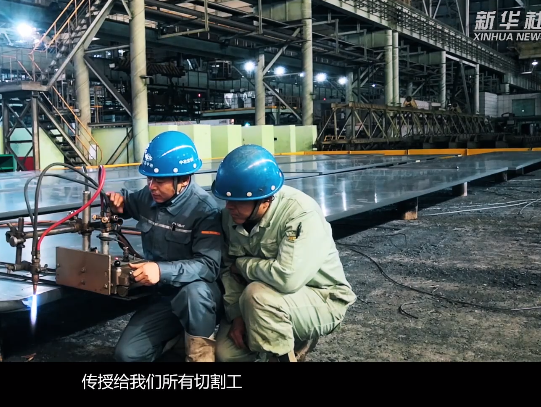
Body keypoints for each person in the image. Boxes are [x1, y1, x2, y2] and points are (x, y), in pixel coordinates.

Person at [210, 144, 356, 362]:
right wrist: (237, 315)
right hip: (262, 302)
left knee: (256, 295)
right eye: (227, 199)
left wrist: (242, 265)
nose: (229, 206)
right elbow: (227, 271)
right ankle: (281, 337)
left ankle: (287, 348)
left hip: (321, 296)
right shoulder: (229, 217)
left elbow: (288, 278)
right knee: (227, 353)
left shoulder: (300, 213)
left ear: (265, 199)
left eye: (238, 201)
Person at [106, 131, 225, 362]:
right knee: (127, 355)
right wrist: (118, 204)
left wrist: (161, 270)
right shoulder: (149, 197)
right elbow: (129, 204)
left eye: (159, 181)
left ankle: (201, 354)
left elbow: (209, 266)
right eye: (149, 179)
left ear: (183, 180)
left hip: (200, 297)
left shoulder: (204, 210)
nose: (151, 186)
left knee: (193, 294)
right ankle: (177, 339)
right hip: (164, 297)